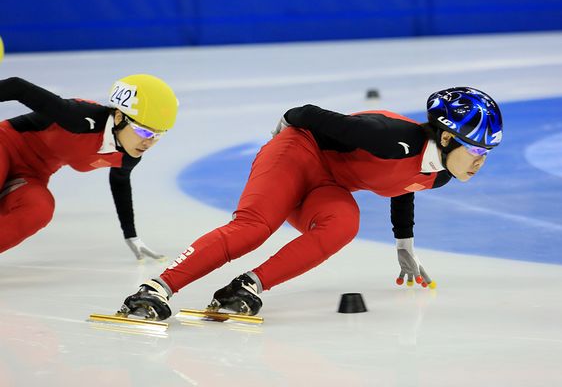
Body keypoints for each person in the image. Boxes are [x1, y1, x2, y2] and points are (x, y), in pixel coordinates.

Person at [120, 87, 503, 320]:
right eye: (475, 149)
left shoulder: (441, 174)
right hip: (295, 153)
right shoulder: (389, 136)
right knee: (254, 227)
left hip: (327, 184)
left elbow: (405, 187)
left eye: (488, 152)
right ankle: (154, 289)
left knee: (344, 223)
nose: (480, 161)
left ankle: (246, 287)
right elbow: (307, 114)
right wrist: (281, 135)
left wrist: (404, 245)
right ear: (448, 139)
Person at [0, 74, 178, 260]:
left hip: (31, 175)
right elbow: (16, 87)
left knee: (39, 209)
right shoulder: (81, 117)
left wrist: (131, 234)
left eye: (158, 135)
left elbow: (120, 183)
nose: (149, 142)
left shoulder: (128, 156)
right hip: (5, 143)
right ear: (119, 117)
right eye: (144, 131)